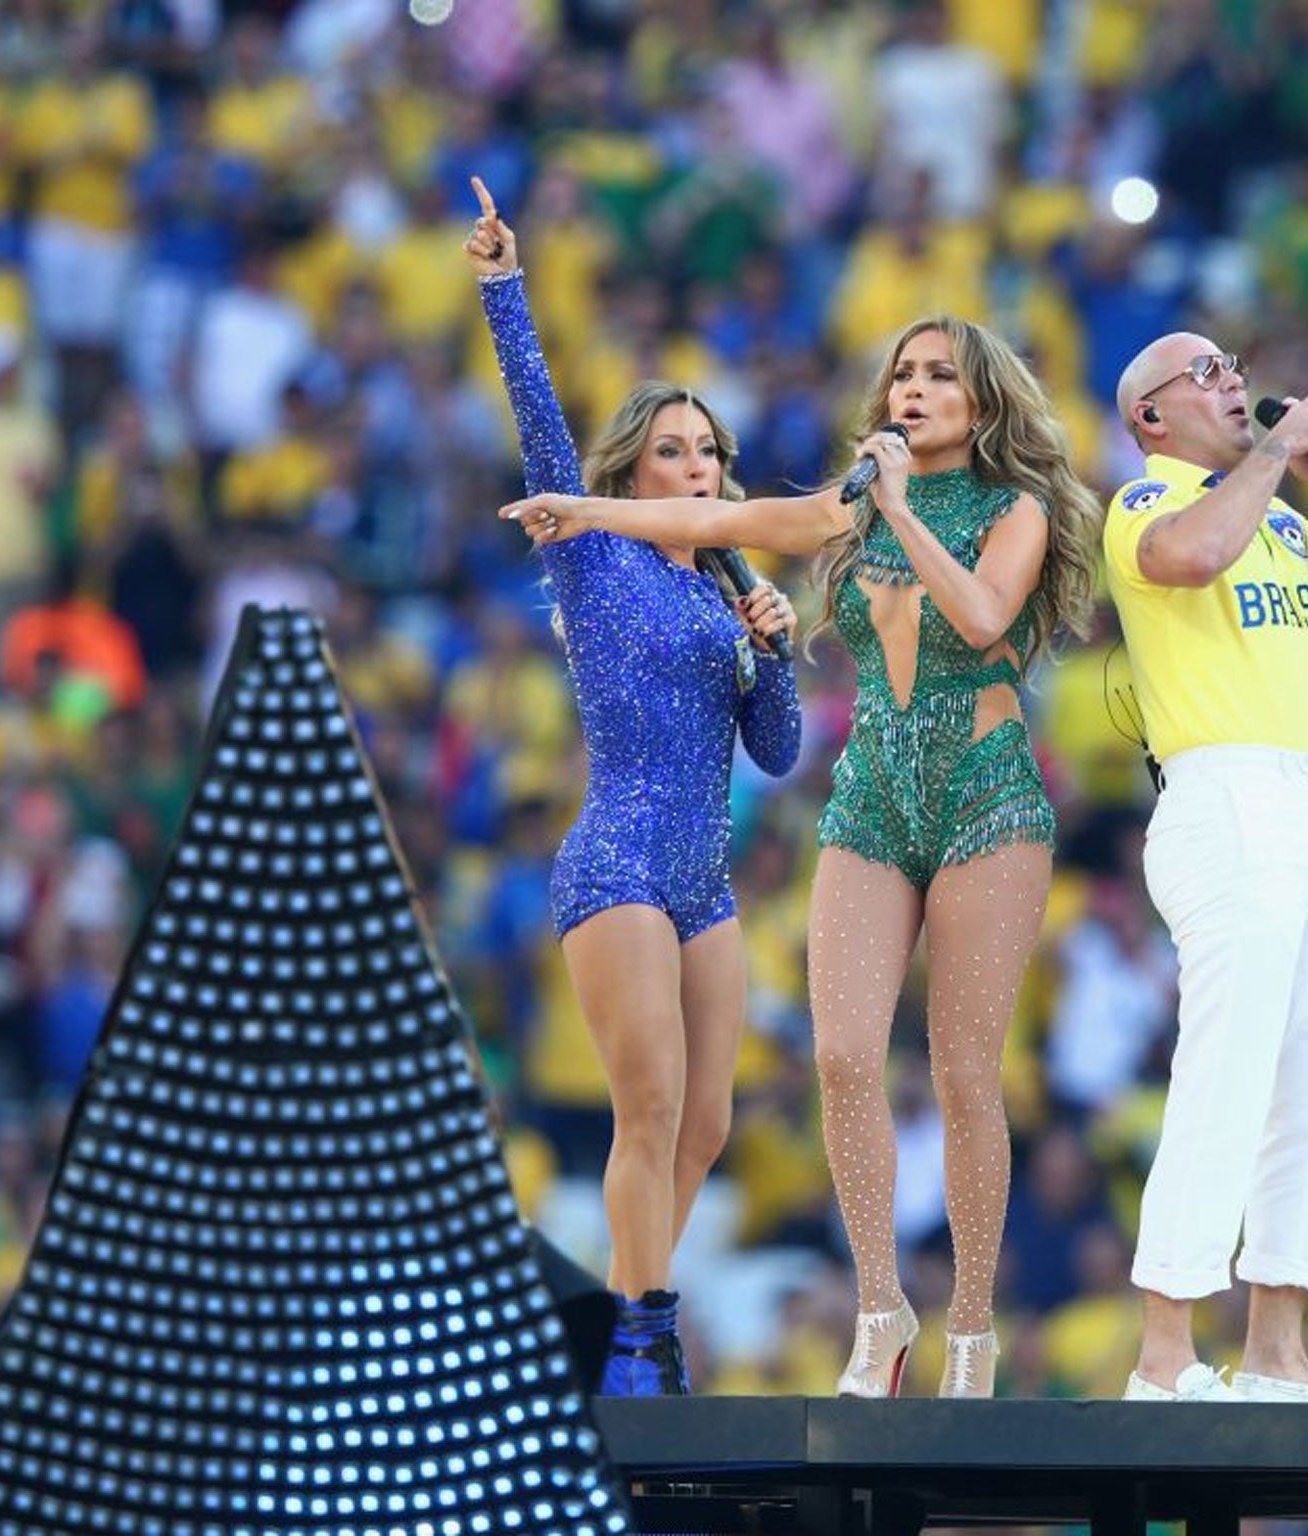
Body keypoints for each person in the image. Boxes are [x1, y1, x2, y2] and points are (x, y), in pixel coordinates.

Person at [503, 314, 1099, 1398]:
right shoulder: (846, 506)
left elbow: (974, 618)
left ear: (982, 402)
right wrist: (582, 509)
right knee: (834, 1061)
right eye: (900, 376)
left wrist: (883, 523)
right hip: (864, 797)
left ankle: (971, 1331)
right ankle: (877, 1312)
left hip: (983, 792)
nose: (910, 392)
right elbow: (724, 514)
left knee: (964, 1074)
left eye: (937, 377)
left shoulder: (1017, 509)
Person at [465, 177, 803, 1396]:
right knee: (647, 1107)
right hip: (616, 860)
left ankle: (626, 1311)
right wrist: (506, 288)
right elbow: (542, 433)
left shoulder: (725, 590)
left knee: (704, 1126)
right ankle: (642, 1337)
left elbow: (775, 750)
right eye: (673, 448)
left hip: (703, 879)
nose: (699, 464)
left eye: (711, 449)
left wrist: (768, 642)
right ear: (633, 471)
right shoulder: (596, 557)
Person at [1100, 333, 1308, 1403]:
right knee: (1226, 1071)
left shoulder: (1277, 508)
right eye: (1203, 372)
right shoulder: (1145, 505)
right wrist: (1275, 455)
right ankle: (1162, 1353)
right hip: (1218, 792)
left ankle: (1276, 1351)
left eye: (1233, 364)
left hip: (1298, 795)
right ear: (1149, 415)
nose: (1231, 378)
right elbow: (1189, 559)